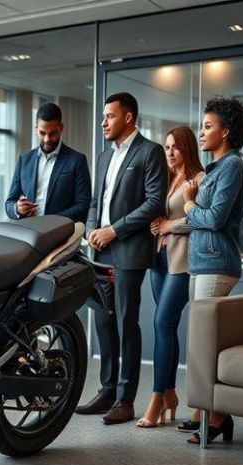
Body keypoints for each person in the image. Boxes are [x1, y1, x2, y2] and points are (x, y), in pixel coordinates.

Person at [77, 92, 168, 425]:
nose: (103, 122)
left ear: (128, 118)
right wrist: (90, 229)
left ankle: (125, 399)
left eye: (109, 116)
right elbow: (93, 202)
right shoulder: (103, 157)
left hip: (128, 250)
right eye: (103, 116)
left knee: (125, 321)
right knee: (102, 319)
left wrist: (113, 230)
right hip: (99, 250)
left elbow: (154, 203)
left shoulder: (150, 152)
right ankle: (106, 390)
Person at [179, 96, 243, 445]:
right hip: (203, 264)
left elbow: (214, 219)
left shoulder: (233, 166)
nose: (202, 132)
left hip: (217, 263)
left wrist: (190, 203)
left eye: (208, 126)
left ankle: (216, 417)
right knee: (202, 344)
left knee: (205, 346)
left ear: (226, 131)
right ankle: (214, 414)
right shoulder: (214, 170)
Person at [139, 126, 205, 428]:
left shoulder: (199, 181)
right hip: (158, 260)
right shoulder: (165, 179)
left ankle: (155, 399)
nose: (169, 152)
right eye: (167, 147)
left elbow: (201, 220)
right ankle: (170, 394)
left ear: (187, 149)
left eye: (175, 147)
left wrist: (169, 226)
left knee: (162, 323)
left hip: (181, 263)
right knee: (168, 326)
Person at [3, 102, 91, 223]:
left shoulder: (77, 160)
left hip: (59, 234)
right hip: (28, 233)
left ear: (61, 128)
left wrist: (49, 221)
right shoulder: (24, 160)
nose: (47, 139)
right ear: (36, 130)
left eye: (53, 133)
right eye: (42, 133)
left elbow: (83, 205)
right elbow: (9, 203)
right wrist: (17, 208)